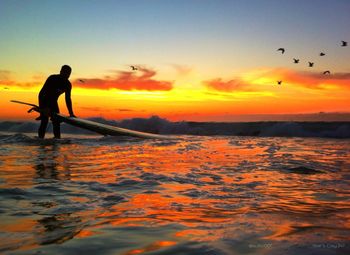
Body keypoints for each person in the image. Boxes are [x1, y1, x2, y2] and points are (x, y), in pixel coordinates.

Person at [38, 65, 76, 138]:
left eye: (68, 73)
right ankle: (40, 142)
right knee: (44, 121)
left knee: (56, 122)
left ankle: (56, 142)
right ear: (61, 71)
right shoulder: (52, 78)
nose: (66, 75)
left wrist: (71, 113)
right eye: (65, 72)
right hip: (44, 101)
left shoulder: (67, 84)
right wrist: (41, 109)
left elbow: (67, 99)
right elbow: (41, 93)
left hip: (54, 103)